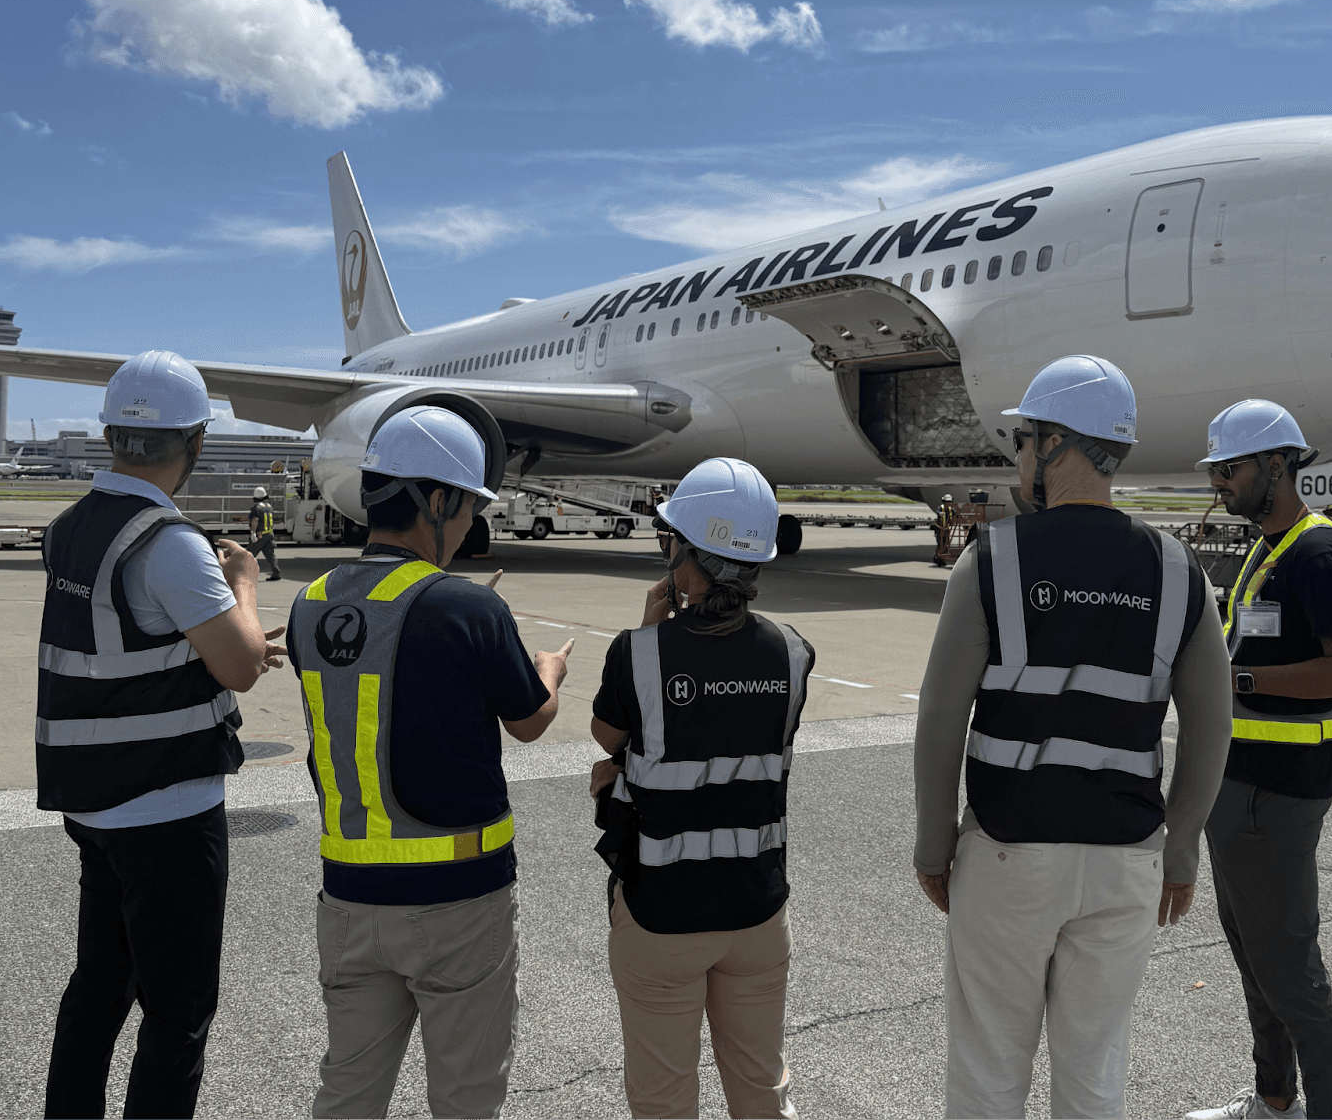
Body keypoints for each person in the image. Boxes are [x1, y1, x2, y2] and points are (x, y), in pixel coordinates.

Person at [912, 355, 1233, 1120]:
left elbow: (941, 717)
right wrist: (1181, 850)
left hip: (1009, 853)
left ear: (1056, 443)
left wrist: (933, 843)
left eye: (1023, 440)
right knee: (1094, 1079)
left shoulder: (992, 558)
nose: (1019, 459)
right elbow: (1212, 727)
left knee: (988, 1075)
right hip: (1127, 861)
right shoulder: (1180, 570)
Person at [287, 406, 572, 1120]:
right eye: (470, 508)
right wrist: (548, 670)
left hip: (348, 896)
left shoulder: (309, 603)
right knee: (467, 1096)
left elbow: (381, 671)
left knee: (348, 1094)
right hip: (458, 899)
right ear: (438, 501)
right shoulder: (467, 608)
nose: (472, 524)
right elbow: (530, 720)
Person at [40, 350, 285, 1119]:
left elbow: (126, 639)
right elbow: (239, 666)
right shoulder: (168, 542)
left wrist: (217, 639)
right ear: (196, 441)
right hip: (165, 808)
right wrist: (243, 586)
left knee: (99, 987)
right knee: (177, 1014)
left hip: (94, 799)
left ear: (110, 434)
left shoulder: (68, 529)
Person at [588, 457, 814, 1120]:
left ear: (691, 553)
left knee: (663, 1100)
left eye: (671, 540)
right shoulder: (792, 652)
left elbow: (608, 736)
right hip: (756, 907)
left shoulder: (640, 652)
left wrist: (650, 631)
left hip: (663, 911)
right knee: (762, 1088)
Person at [1189, 399, 1332, 1120]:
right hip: (1239, 787)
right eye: (1215, 470)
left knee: (1291, 972)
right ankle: (1274, 1100)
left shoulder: (1319, 553)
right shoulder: (1269, 547)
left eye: (1230, 468)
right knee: (1256, 960)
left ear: (1276, 465)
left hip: (1279, 796)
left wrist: (1235, 680)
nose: (1219, 482)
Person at [247, 485, 283, 582]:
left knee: (249, 555)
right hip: (269, 534)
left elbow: (255, 520)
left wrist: (253, 533)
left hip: (260, 535)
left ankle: (244, 574)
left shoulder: (256, 508)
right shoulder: (269, 507)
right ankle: (276, 573)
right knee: (270, 556)